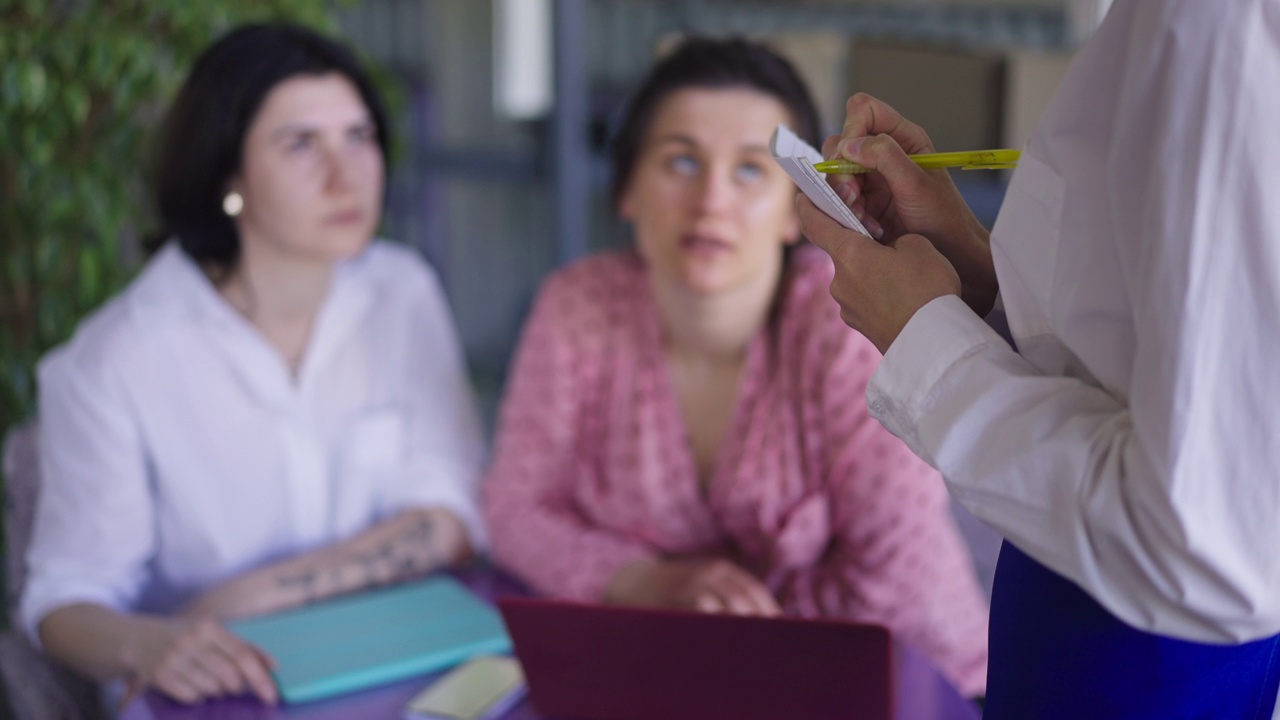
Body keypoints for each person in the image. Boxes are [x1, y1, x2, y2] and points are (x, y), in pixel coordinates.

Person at [797, 1, 1280, 717]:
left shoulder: (1220, 20)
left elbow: (1200, 540)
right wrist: (979, 278)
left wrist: (925, 339)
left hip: (1145, 656)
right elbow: (1160, 337)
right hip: (1075, 608)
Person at [481, 37, 989, 697]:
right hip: (668, 682)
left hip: (904, 682)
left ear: (796, 209)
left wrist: (718, 628)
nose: (711, 200)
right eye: (680, 161)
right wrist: (639, 581)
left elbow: (898, 577)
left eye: (751, 170)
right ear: (627, 190)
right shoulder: (576, 307)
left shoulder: (848, 322)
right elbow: (516, 508)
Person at [20, 24, 487, 707]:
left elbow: (451, 515)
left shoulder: (401, 292)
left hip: (397, 665)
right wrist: (152, 642)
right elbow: (64, 600)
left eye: (359, 137)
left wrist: (240, 598)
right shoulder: (114, 360)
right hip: (209, 693)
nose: (346, 173)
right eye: (301, 144)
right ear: (226, 177)